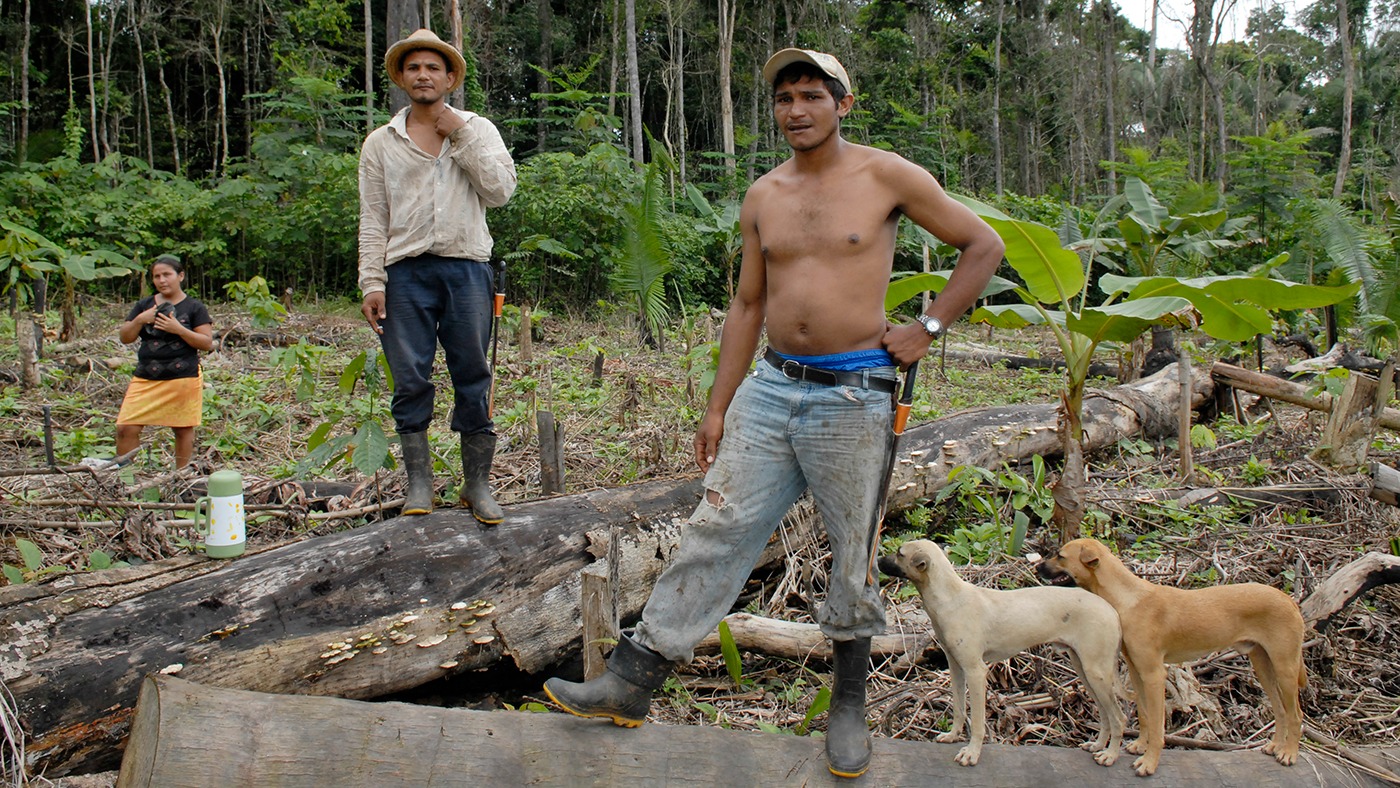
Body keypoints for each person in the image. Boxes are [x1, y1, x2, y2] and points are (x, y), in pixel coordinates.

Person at [543, 49, 1005, 779]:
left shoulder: (888, 176)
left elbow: (984, 245)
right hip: (770, 388)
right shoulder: (764, 194)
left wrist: (930, 328)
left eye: (812, 96)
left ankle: (848, 704)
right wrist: (718, 406)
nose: (796, 109)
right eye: (786, 98)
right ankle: (631, 680)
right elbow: (748, 304)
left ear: (842, 104)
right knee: (716, 529)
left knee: (853, 551)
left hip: (855, 395)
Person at [358, 28, 517, 523]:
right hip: (404, 274)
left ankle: (477, 484)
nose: (423, 75)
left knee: (473, 373)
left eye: (433, 67)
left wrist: (459, 133)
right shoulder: (381, 143)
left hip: (467, 269)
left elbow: (500, 191)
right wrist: (371, 282)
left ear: (450, 78)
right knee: (409, 378)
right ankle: (420, 484)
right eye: (413, 68)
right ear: (402, 78)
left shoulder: (478, 128)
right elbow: (373, 217)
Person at [116, 255, 214, 469]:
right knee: (126, 428)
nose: (162, 280)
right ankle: (123, 481)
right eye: (156, 276)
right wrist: (141, 319)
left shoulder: (194, 307)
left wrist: (178, 329)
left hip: (182, 378)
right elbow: (125, 337)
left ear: (180, 276)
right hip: (145, 378)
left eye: (167, 274)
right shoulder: (144, 305)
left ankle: (179, 480)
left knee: (182, 429)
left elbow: (207, 343)